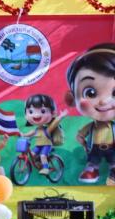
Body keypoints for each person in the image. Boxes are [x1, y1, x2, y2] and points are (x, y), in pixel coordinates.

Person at [65, 43, 115, 184]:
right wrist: (81, 140)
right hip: (95, 148)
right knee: (93, 160)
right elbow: (81, 135)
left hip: (112, 148)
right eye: (90, 93)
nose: (104, 101)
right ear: (71, 98)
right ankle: (92, 170)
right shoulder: (91, 126)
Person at [21, 94, 66, 175]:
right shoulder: (37, 129)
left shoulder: (47, 130)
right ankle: (40, 164)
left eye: (43, 111)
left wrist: (61, 117)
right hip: (39, 146)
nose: (36, 115)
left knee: (43, 155)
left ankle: (46, 168)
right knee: (32, 154)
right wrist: (23, 135)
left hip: (47, 145)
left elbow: (54, 124)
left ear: (52, 113)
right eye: (31, 112)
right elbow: (31, 133)